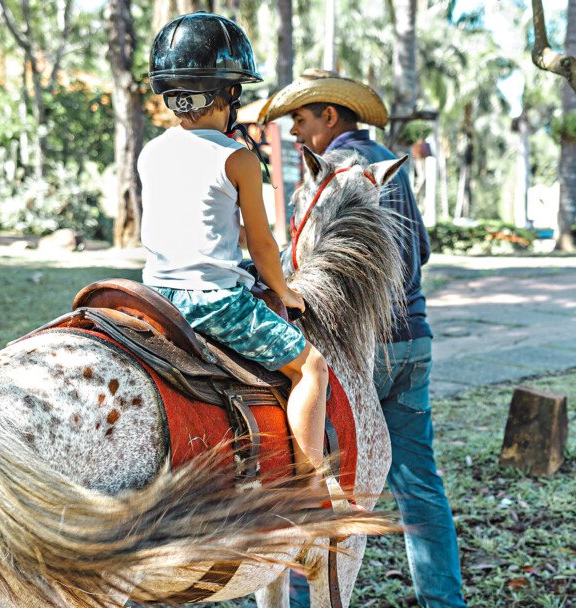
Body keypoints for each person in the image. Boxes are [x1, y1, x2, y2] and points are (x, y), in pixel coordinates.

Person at [263, 70, 467, 608]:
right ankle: (445, 602)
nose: (297, 134)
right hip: (412, 343)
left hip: (354, 353)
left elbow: (312, 266)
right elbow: (417, 251)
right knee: (418, 483)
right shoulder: (388, 165)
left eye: (302, 121)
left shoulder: (333, 170)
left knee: (322, 477)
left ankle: (305, 601)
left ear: (331, 116)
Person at [141, 14, 333, 495]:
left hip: (155, 296)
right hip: (213, 302)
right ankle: (312, 490)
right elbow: (262, 243)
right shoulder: (239, 158)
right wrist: (285, 290)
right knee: (312, 367)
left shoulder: (151, 152)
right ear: (228, 94)